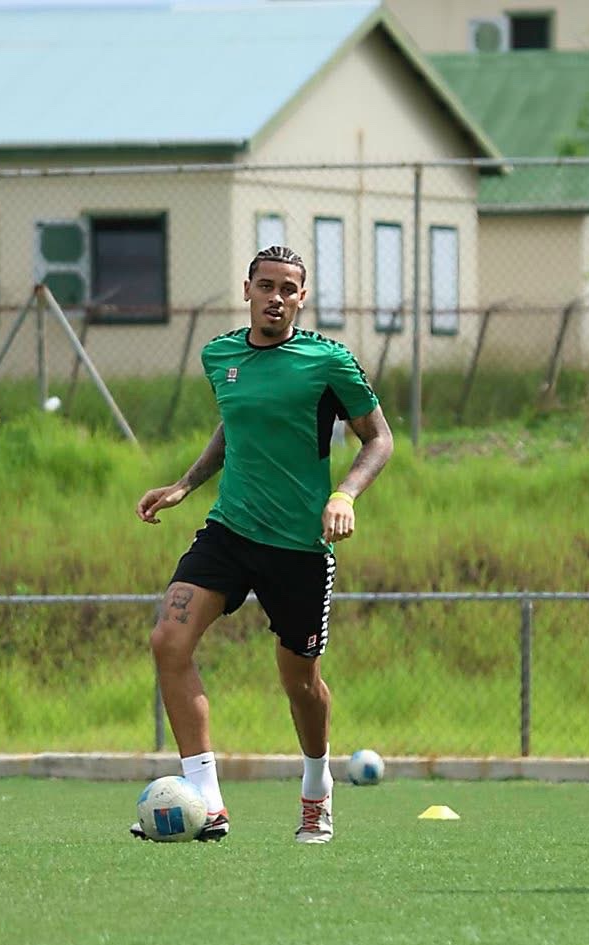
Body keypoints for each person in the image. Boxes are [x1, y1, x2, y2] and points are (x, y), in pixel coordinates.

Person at [131, 246, 393, 844]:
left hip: (299, 546)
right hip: (230, 530)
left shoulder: (328, 362)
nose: (276, 297)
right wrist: (185, 485)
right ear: (246, 289)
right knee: (168, 641)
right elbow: (236, 423)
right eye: (266, 285)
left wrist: (346, 495)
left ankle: (317, 792)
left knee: (299, 682)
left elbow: (379, 439)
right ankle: (208, 802)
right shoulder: (219, 354)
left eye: (289, 289)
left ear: (303, 298)